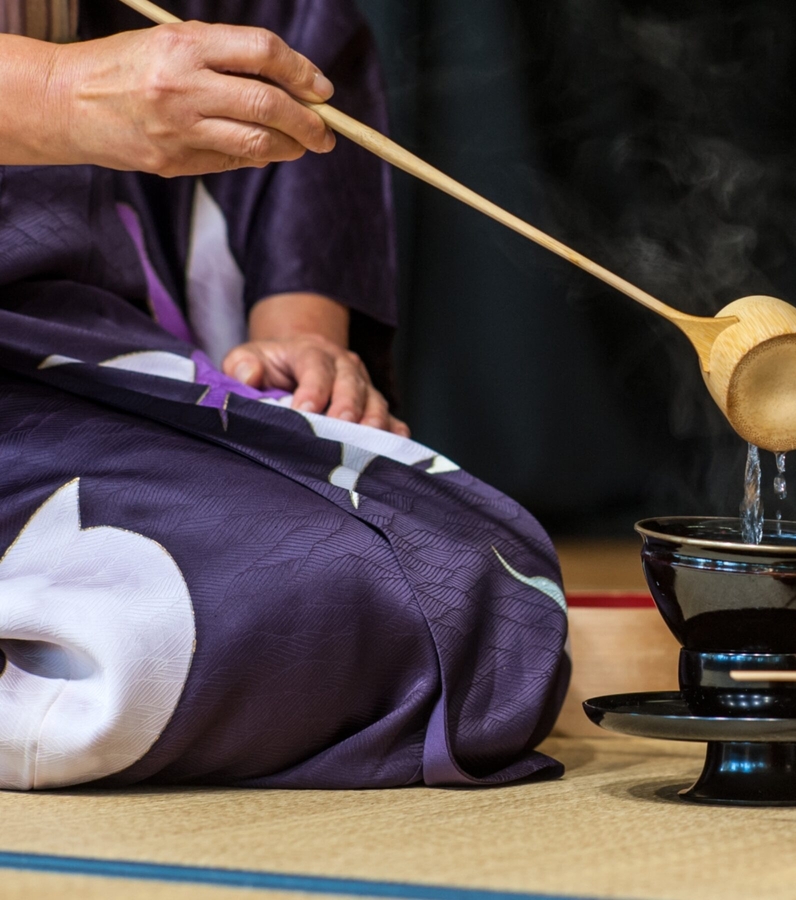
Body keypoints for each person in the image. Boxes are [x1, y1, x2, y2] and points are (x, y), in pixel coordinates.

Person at [0, 1, 569, 790]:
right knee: (255, 602)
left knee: (478, 574)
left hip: (77, 352)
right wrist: (57, 91)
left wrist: (299, 338)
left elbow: (286, 27)